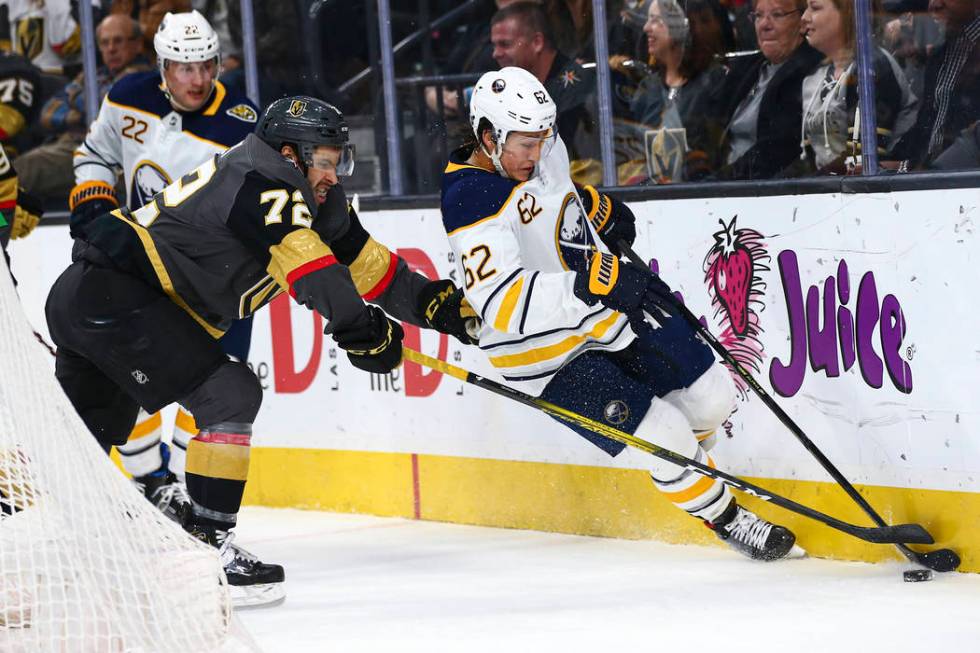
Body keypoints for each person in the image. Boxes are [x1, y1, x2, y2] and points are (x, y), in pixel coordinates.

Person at [46, 95, 477, 606]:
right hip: (114, 300)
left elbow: (371, 268)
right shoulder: (263, 181)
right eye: (324, 161)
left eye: (338, 163)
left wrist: (436, 306)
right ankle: (207, 549)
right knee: (229, 395)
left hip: (97, 296)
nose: (333, 176)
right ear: (290, 154)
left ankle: (27, 537)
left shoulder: (305, 196)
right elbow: (312, 272)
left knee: (72, 449)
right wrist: (362, 331)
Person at [439, 66, 797, 561]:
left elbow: (555, 194)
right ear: (487, 136)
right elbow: (500, 303)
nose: (537, 152)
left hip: (599, 316)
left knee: (712, 398)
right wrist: (592, 282)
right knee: (664, 432)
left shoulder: (541, 145)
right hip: (543, 356)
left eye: (544, 137)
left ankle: (684, 469)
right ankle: (728, 518)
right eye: (524, 143)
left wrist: (593, 209)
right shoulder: (470, 200)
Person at [71, 10, 258, 523]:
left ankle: (187, 487)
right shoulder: (129, 95)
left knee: (219, 384)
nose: (197, 79)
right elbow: (95, 155)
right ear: (163, 67)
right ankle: (151, 482)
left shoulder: (241, 124)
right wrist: (92, 202)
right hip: (141, 270)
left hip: (214, 279)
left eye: (206, 66)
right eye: (184, 67)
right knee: (127, 379)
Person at [14, 15, 148, 205]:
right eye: (104, 43)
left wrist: (76, 100)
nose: (111, 49)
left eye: (118, 41)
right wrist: (76, 114)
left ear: (138, 44)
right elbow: (48, 113)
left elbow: (108, 108)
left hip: (101, 153)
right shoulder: (94, 75)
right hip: (68, 143)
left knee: (21, 171)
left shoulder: (144, 77)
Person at [799, 0, 917, 174]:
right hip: (828, 192)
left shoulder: (873, 66)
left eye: (815, 8)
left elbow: (860, 158)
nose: (804, 18)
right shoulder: (814, 78)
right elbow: (809, 156)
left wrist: (810, 184)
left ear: (847, 13)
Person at [713, 0, 823, 179]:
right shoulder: (744, 69)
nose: (764, 25)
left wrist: (715, 183)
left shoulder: (809, 71)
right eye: (758, 16)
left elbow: (776, 152)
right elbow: (711, 127)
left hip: (760, 190)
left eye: (777, 14)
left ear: (802, 22)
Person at [630, 0, 732, 182]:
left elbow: (718, 152)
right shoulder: (648, 87)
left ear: (683, 27)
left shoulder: (715, 82)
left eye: (655, 20)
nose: (646, 28)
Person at [888, 0, 980, 169]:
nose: (934, 5)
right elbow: (927, 124)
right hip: (934, 181)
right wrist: (882, 165)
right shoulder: (942, 54)